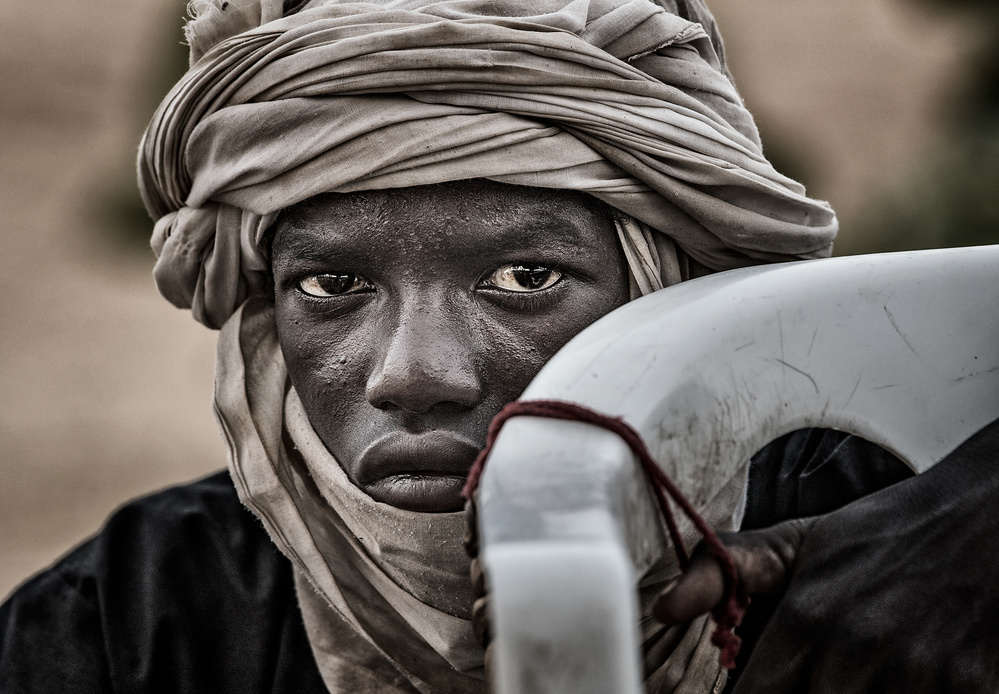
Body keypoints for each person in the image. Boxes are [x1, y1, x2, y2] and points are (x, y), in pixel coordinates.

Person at [1, 0, 997, 692]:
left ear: (667, 285)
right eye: (333, 286)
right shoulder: (125, 627)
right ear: (262, 322)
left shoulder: (891, 529)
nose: (415, 374)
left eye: (525, 279)